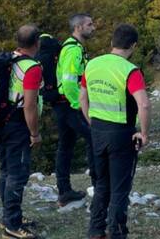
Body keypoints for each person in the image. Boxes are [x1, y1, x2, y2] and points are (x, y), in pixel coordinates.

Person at [80, 23, 150, 239]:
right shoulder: (130, 70)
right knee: (120, 189)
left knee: (101, 184)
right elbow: (144, 104)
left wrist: (91, 120)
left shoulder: (92, 64)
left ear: (112, 42)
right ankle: (117, 233)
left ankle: (95, 230)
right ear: (133, 46)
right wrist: (144, 134)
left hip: (98, 131)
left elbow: (82, 96)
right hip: (122, 134)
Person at [0, 24, 43, 239]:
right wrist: (34, 133)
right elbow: (30, 105)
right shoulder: (31, 68)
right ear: (37, 43)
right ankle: (12, 226)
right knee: (17, 173)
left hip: (1, 121)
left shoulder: (8, 59)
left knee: (6, 170)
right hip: (18, 124)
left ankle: (9, 216)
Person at [54, 13, 96, 205]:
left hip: (63, 105)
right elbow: (69, 81)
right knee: (93, 138)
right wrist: (78, 105)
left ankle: (64, 191)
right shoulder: (73, 51)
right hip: (70, 105)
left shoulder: (72, 47)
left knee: (66, 146)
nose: (93, 27)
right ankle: (99, 186)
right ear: (78, 27)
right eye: (89, 24)